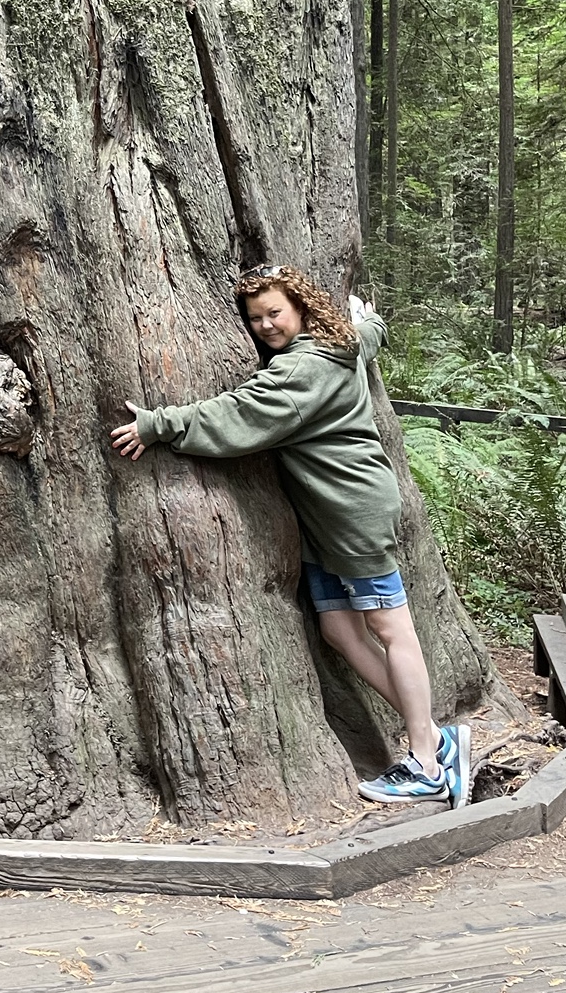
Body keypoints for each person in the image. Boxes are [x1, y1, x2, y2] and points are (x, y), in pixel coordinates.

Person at [109, 263, 471, 810]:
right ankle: (437, 737)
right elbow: (367, 336)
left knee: (391, 628)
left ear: (300, 307)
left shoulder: (303, 370)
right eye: (255, 318)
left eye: (275, 312)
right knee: (339, 632)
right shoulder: (341, 341)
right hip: (325, 518)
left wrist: (157, 424)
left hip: (353, 511)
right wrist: (368, 322)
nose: (265, 327)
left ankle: (425, 761)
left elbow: (241, 415)